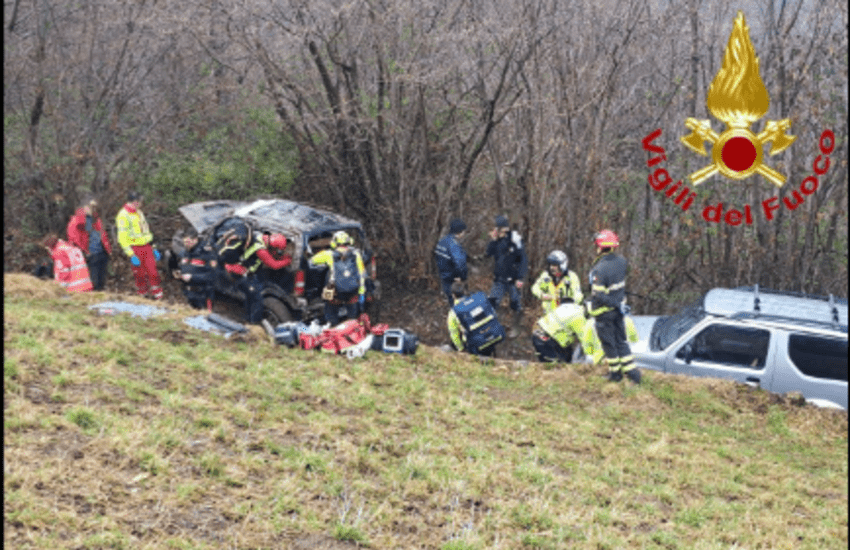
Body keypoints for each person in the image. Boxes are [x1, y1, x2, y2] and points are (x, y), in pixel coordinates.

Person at [587, 229, 641, 383]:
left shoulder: (599, 268)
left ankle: (616, 374)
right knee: (621, 341)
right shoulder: (622, 261)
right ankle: (633, 374)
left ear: (600, 247)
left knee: (609, 345)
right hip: (618, 311)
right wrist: (618, 304)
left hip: (604, 313)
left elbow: (599, 295)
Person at [225, 232, 292, 323]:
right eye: (277, 249)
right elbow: (274, 265)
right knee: (256, 299)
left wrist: (282, 257)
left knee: (251, 296)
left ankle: (248, 318)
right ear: (273, 245)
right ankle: (254, 323)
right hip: (240, 273)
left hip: (243, 271)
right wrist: (287, 261)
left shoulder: (261, 238)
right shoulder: (261, 250)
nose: (277, 251)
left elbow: (271, 255)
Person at [309, 230, 367, 326]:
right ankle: (351, 330)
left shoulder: (328, 254)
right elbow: (362, 274)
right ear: (350, 241)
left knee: (331, 315)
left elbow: (311, 261)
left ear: (334, 243)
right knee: (353, 319)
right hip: (352, 292)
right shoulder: (356, 255)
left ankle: (333, 328)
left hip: (335, 292)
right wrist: (361, 292)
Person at [486, 214, 528, 338]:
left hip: (513, 279)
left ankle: (516, 327)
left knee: (515, 303)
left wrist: (520, 278)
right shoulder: (496, 241)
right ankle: (492, 328)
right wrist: (493, 240)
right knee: (492, 302)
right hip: (499, 278)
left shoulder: (514, 239)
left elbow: (523, 260)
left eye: (499, 229)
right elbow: (489, 253)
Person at [116, 191, 162, 300]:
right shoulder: (123, 215)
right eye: (140, 201)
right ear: (135, 201)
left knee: (153, 272)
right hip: (135, 248)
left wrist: (153, 246)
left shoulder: (139, 213)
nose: (142, 203)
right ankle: (142, 294)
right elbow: (122, 237)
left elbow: (146, 231)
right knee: (140, 274)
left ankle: (157, 295)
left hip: (146, 246)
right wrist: (131, 254)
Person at [532, 301, 604, 364]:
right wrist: (591, 357)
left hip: (539, 333)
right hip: (548, 340)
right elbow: (586, 340)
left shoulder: (574, 307)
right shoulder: (580, 319)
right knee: (559, 368)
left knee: (564, 360)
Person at [66, 197, 112, 290]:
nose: (93, 209)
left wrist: (108, 250)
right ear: (84, 206)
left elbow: (103, 235)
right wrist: (84, 252)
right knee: (93, 281)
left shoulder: (96, 219)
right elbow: (74, 239)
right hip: (91, 255)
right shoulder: (76, 221)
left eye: (95, 207)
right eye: (91, 207)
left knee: (102, 280)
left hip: (101, 253)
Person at [447, 282, 503, 357]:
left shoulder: (454, 312)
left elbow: (454, 333)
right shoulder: (480, 298)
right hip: (493, 335)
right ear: (465, 291)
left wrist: (461, 349)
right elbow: (493, 313)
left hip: (475, 344)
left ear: (453, 295)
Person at [174, 230, 219, 311]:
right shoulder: (185, 252)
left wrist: (192, 277)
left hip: (203, 295)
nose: (186, 244)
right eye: (184, 242)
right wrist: (180, 273)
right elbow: (184, 266)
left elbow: (212, 276)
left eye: (188, 242)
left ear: (195, 240)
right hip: (187, 294)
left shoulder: (207, 253)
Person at [531, 250, 583, 315]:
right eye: (550, 265)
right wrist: (542, 295)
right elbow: (535, 288)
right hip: (549, 315)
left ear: (562, 265)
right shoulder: (546, 276)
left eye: (554, 265)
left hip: (565, 315)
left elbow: (578, 294)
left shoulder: (571, 277)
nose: (551, 267)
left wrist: (570, 301)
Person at [434, 218, 468, 305]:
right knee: (459, 302)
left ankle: (453, 310)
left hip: (444, 277)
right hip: (454, 279)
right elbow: (460, 263)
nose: (464, 233)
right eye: (464, 231)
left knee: (451, 298)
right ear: (459, 232)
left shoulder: (442, 241)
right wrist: (461, 277)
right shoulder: (454, 245)